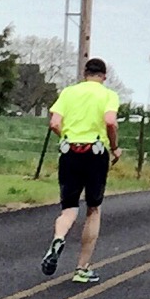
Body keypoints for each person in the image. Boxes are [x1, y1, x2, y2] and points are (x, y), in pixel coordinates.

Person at [42, 56, 121, 283]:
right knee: (93, 209)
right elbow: (110, 121)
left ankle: (58, 238)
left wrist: (66, 137)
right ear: (104, 76)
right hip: (95, 152)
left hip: (69, 151)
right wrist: (114, 147)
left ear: (84, 74)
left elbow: (54, 123)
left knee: (68, 209)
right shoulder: (108, 95)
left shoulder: (68, 93)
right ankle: (82, 268)